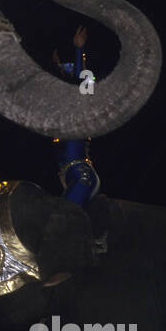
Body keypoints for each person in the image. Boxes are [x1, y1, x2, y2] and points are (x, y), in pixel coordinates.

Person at [51, 24, 100, 206]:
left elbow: (81, 81)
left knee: (59, 220)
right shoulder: (56, 115)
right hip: (71, 179)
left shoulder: (77, 108)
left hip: (82, 177)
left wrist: (79, 49)